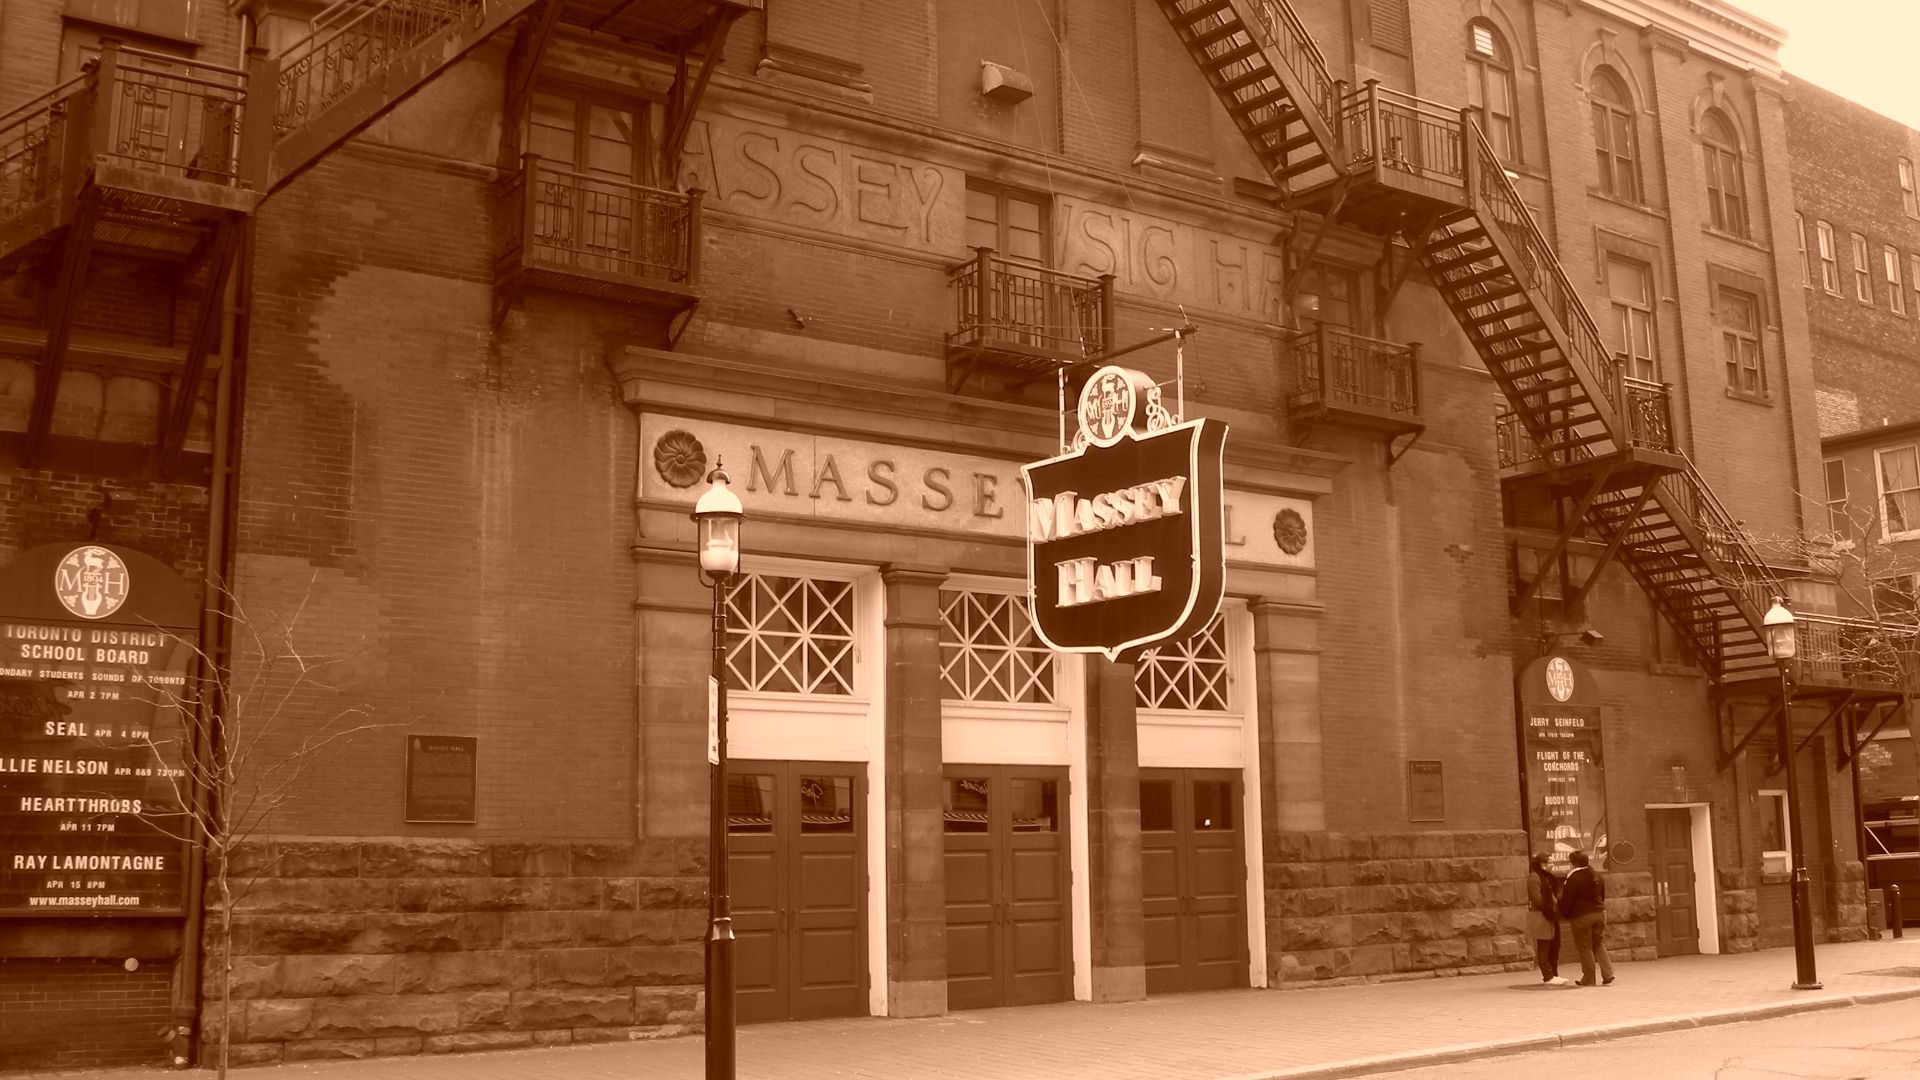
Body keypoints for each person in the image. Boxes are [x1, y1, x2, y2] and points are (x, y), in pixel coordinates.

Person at [1560, 849, 1614, 986]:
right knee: (1598, 943)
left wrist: (1564, 914)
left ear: (1573, 863)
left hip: (1582, 916)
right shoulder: (1596, 875)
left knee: (1585, 947)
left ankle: (1589, 978)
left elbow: (1567, 900)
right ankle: (1608, 974)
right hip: (1600, 913)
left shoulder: (1573, 878)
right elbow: (1602, 896)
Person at [1526, 853, 1568, 984]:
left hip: (1552, 915)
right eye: (1550, 862)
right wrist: (1549, 909)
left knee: (1555, 946)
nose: (1553, 865)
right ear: (1543, 864)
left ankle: (1554, 974)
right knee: (1544, 946)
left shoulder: (1549, 878)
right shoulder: (1534, 877)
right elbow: (1537, 898)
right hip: (1542, 915)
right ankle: (1548, 976)